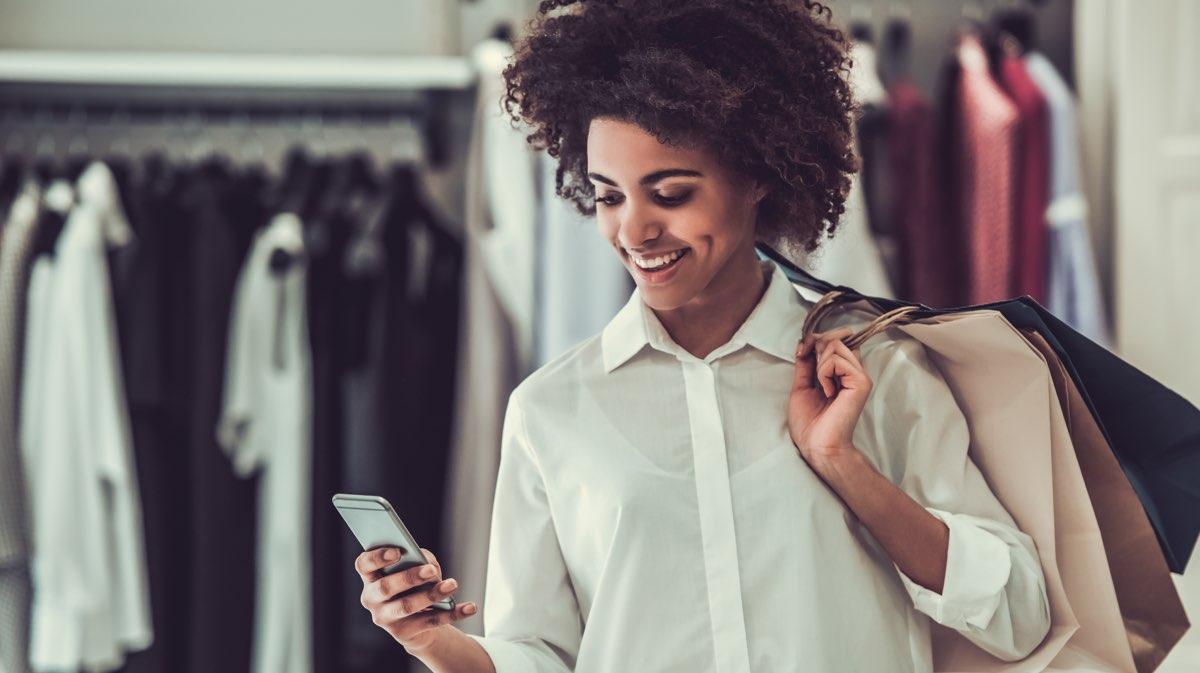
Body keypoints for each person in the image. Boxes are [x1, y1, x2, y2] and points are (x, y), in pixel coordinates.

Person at [353, 1, 1052, 671]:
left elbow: (1019, 614)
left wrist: (844, 465)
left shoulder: (879, 371)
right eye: (608, 195)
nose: (633, 231)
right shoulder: (549, 409)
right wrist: (431, 640)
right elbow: (537, 654)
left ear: (756, 174)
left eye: (672, 192)